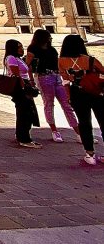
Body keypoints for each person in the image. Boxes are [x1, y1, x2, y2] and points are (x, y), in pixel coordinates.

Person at [26, 29, 81, 143]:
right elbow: (28, 66)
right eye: (48, 36)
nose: (51, 38)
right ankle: (54, 131)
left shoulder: (52, 49)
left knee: (66, 104)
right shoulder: (33, 49)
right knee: (49, 104)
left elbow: (58, 64)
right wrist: (31, 80)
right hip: (43, 77)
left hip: (56, 76)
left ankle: (79, 133)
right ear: (42, 38)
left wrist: (65, 76)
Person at [59, 34, 104, 165]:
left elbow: (65, 81)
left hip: (77, 93)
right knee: (103, 121)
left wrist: (68, 97)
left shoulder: (61, 61)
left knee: (84, 123)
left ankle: (89, 154)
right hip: (96, 93)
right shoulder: (90, 60)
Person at [4, 39, 41, 148]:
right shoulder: (11, 58)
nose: (21, 49)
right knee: (25, 113)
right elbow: (16, 75)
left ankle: (22, 135)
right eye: (19, 47)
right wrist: (25, 87)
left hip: (23, 85)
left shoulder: (17, 58)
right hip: (20, 87)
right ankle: (24, 139)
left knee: (25, 112)